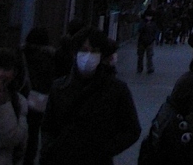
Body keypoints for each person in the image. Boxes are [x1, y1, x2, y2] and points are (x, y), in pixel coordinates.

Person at [39, 28, 140, 165]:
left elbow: (132, 129)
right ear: (75, 53)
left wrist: (106, 149)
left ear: (102, 55)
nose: (88, 56)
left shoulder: (116, 89)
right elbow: (48, 126)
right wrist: (51, 148)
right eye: (84, 50)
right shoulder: (59, 87)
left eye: (94, 51)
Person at [21, 28, 55, 165]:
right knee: (34, 132)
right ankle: (29, 159)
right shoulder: (49, 57)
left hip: (22, 96)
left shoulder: (22, 54)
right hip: (39, 100)